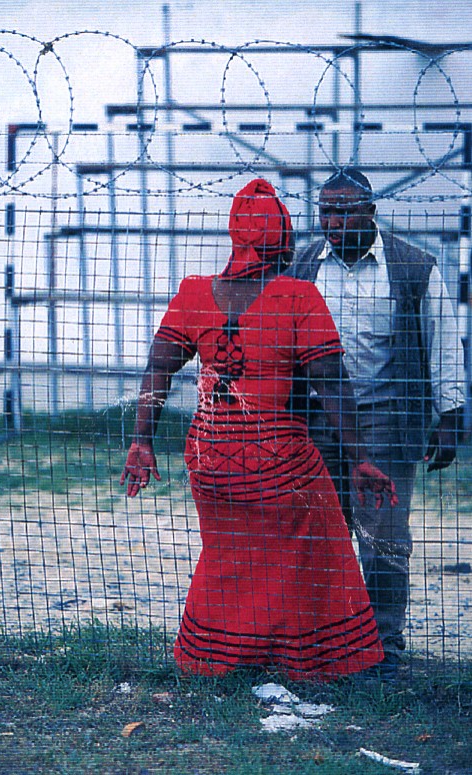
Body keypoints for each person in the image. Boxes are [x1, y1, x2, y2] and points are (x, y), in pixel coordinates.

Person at [120, 178, 397, 681]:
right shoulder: (298, 296)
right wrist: (359, 458)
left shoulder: (193, 293)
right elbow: (333, 386)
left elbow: (158, 369)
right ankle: (314, 661)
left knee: (228, 555)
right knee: (315, 548)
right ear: (282, 237)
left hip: (209, 457)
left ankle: (216, 658)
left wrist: (142, 441)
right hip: (278, 462)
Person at [287, 168, 466, 678]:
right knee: (320, 536)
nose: (333, 222)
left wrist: (450, 417)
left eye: (344, 212)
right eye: (325, 212)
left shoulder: (413, 267)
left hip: (386, 418)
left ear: (370, 212)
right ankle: (324, 645)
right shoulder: (302, 268)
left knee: (383, 539)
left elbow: (443, 343)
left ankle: (385, 647)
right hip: (316, 420)